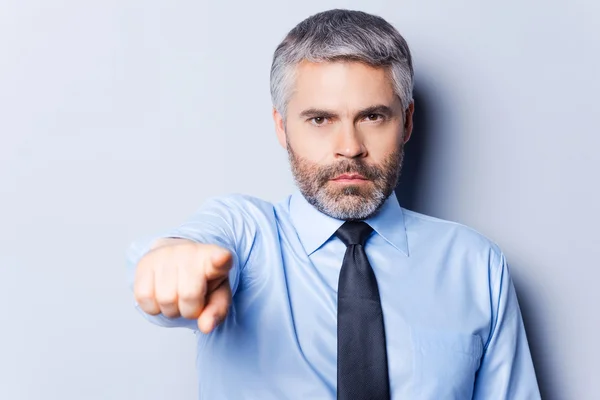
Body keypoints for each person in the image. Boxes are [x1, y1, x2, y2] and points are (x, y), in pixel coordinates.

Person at [126, 9, 541, 400]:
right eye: (320, 119)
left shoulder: (476, 265)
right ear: (282, 128)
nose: (349, 148)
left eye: (373, 116)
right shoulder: (245, 236)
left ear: (408, 122)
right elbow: (182, 253)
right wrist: (170, 261)